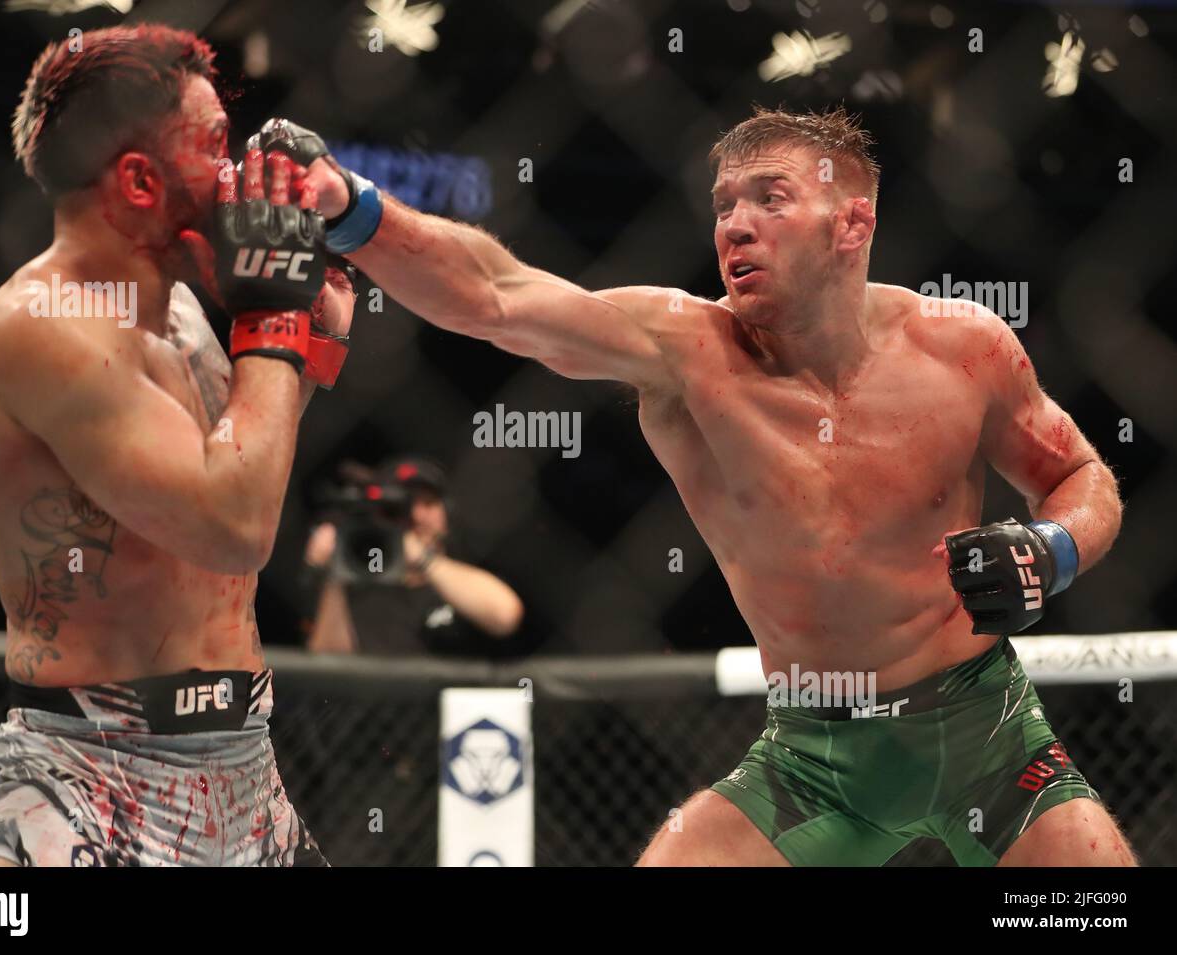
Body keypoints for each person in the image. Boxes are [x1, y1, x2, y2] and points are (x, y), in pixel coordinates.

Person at [250, 108, 1134, 865]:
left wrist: (1049, 549)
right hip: (812, 756)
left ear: (851, 224)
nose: (733, 227)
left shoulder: (965, 347)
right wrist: (352, 209)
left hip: (983, 730)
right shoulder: (685, 353)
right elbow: (495, 295)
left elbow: (1081, 476)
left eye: (769, 200)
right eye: (723, 206)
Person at [0, 25, 356, 866]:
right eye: (214, 146)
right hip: (86, 776)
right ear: (139, 179)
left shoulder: (177, 312)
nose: (234, 170)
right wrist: (272, 321)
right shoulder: (48, 326)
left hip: (246, 766)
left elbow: (234, 469)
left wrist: (305, 350)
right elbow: (235, 526)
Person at [301, 456, 523, 654]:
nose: (416, 516)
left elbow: (505, 616)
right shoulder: (358, 589)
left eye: (428, 503)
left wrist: (423, 559)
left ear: (447, 515)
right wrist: (333, 574)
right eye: (399, 509)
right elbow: (329, 663)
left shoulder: (467, 580)